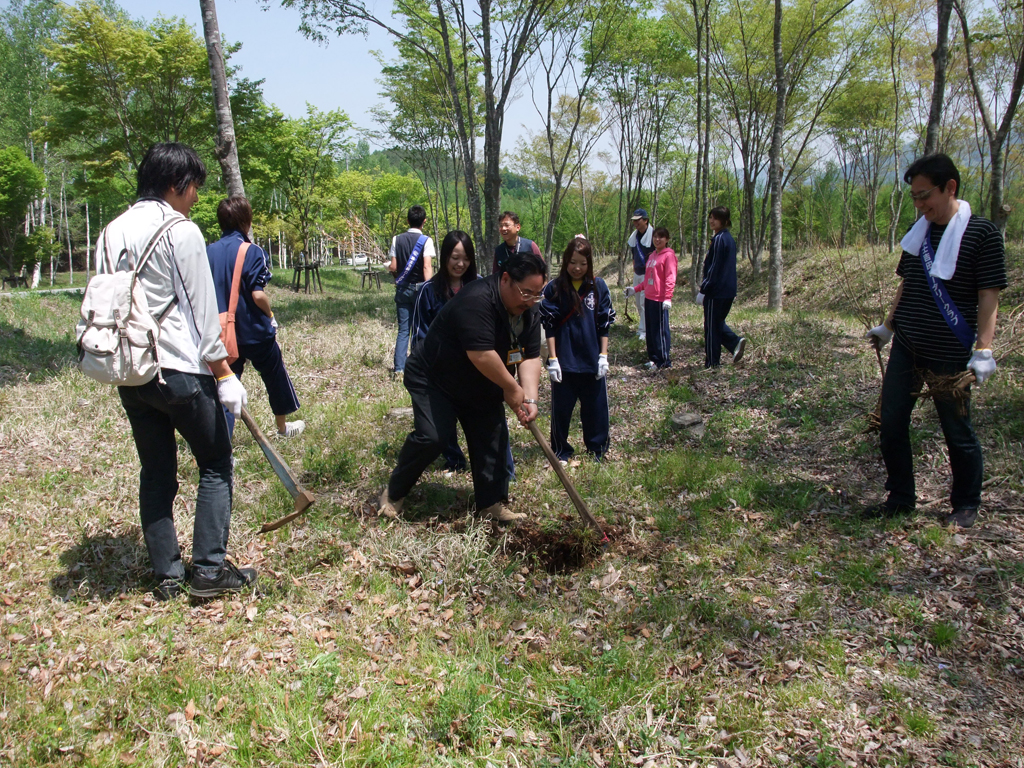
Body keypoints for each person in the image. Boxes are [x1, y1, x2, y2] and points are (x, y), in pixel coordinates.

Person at [96, 143, 256, 601]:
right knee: (215, 463)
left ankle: (166, 575)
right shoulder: (179, 230)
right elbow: (201, 311)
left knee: (157, 470)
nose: (196, 199)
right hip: (179, 371)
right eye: (193, 189)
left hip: (131, 372)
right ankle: (208, 571)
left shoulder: (112, 230)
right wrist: (224, 374)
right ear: (174, 184)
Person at [865, 153, 1006, 528]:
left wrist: (984, 349)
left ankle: (965, 504)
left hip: (949, 352)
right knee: (892, 422)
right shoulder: (919, 235)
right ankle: (900, 497)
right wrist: (888, 326)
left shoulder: (982, 234)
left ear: (950, 188)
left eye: (924, 195)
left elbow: (989, 295)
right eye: (914, 197)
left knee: (956, 429)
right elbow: (907, 283)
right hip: (908, 344)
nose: (919, 204)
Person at [379, 252, 547, 523]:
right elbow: (480, 354)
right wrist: (512, 388)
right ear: (505, 279)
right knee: (433, 436)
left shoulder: (529, 308)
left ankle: (491, 503)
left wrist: (530, 397)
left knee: (491, 437)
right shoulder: (477, 299)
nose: (530, 300)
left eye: (537, 294)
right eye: (526, 292)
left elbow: (529, 355)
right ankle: (394, 492)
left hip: (482, 382)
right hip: (435, 378)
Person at [207, 196, 304, 439]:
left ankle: (224, 447)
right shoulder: (252, 251)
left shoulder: (208, 251)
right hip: (255, 331)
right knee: (275, 377)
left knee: (225, 384)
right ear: (246, 220)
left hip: (224, 333)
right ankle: (282, 428)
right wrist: (270, 315)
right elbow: (258, 294)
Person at [541, 236, 615, 462]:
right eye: (573, 262)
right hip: (565, 361)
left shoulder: (598, 286)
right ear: (565, 262)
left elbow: (604, 324)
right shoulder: (554, 288)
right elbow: (550, 326)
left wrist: (603, 356)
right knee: (561, 411)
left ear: (589, 264)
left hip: (592, 359)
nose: (577, 268)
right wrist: (553, 359)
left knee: (596, 409)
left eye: (583, 263)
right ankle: (561, 450)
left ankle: (597, 449)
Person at [410, 230, 479, 471]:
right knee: (442, 420)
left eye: (466, 258)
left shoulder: (478, 287)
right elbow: (419, 334)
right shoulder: (428, 291)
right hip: (438, 370)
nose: (460, 264)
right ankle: (454, 460)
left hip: (474, 368)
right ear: (444, 257)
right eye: (455, 257)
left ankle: (491, 466)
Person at [696, 206, 746, 368]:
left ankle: (712, 362)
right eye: (710, 217)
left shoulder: (719, 240)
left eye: (715, 218)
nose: (712, 221)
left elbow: (714, 268)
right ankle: (733, 344)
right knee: (716, 323)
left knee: (711, 327)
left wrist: (704, 289)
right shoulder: (729, 239)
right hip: (728, 290)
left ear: (724, 221)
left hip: (716, 292)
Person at [388, 205, 434, 376]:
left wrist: (393, 273)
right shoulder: (426, 241)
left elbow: (393, 266)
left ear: (407, 220)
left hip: (403, 288)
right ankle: (421, 366)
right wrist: (430, 289)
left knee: (403, 330)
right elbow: (427, 266)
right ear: (424, 221)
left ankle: (399, 369)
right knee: (421, 328)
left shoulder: (396, 239)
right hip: (420, 288)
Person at [625, 226, 678, 369]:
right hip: (649, 298)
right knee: (650, 330)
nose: (657, 239)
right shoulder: (652, 256)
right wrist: (634, 289)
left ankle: (663, 361)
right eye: (655, 236)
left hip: (660, 300)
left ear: (666, 239)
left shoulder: (669, 255)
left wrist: (668, 297)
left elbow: (670, 277)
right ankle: (653, 359)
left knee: (659, 331)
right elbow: (648, 279)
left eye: (661, 237)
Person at [626, 209, 655, 340]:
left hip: (649, 274)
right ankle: (643, 326)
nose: (636, 223)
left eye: (638, 220)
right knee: (638, 302)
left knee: (644, 302)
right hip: (638, 272)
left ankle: (645, 330)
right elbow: (634, 255)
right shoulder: (634, 237)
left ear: (645, 220)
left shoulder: (653, 235)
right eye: (634, 220)